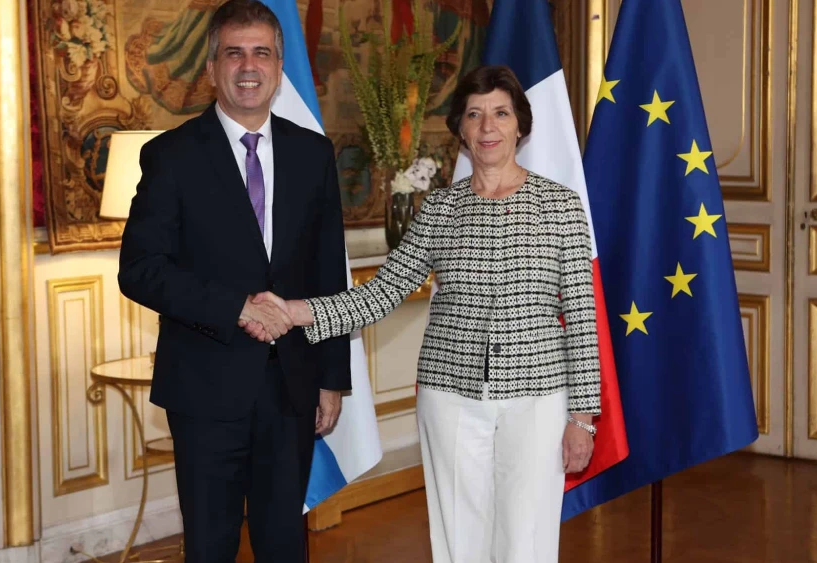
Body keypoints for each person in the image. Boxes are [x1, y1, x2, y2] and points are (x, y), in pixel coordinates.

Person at [244, 64, 601, 562]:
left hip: (538, 399)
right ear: (459, 129)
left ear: (520, 124)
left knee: (528, 539)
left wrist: (583, 419)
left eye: (500, 113)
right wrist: (295, 311)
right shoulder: (439, 210)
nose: (487, 127)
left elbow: (583, 320)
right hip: (449, 396)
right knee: (459, 539)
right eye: (474, 115)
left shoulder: (560, 206)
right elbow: (380, 294)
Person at [117, 1, 352, 560]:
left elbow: (328, 272)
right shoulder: (169, 156)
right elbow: (141, 270)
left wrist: (331, 378)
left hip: (291, 388)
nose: (249, 66)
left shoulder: (313, 154)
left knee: (283, 544)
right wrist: (236, 307)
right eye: (234, 52)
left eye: (261, 53)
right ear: (212, 64)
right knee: (210, 546)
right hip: (204, 387)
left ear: (278, 63)